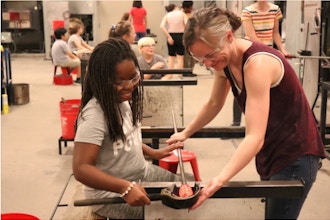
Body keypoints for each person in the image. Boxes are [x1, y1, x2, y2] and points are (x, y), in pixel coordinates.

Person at [166, 7, 326, 219]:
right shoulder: (224, 62)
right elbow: (214, 103)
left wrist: (220, 179)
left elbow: (254, 137)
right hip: (270, 152)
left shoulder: (257, 64)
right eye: (200, 59)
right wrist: (186, 132)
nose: (207, 63)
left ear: (229, 36)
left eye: (211, 55)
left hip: (295, 154)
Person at [72, 38, 182, 219]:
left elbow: (127, 139)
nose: (129, 85)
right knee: (168, 213)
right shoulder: (94, 116)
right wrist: (125, 187)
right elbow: (81, 168)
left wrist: (153, 153)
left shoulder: (121, 101)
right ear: (101, 81)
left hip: (142, 174)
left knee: (185, 190)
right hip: (109, 194)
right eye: (119, 81)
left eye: (133, 77)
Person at [232, 0, 293, 126]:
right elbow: (251, 35)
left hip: (268, 53)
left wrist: (282, 49)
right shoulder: (248, 11)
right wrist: (270, 52)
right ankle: (236, 122)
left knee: (266, 88)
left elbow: (275, 33)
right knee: (243, 87)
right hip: (251, 52)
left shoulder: (275, 9)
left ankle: (266, 123)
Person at [160, 4, 185, 70]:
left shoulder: (167, 15)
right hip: (181, 35)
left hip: (171, 35)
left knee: (171, 57)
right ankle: (180, 75)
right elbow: (187, 25)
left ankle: (169, 74)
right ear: (175, 7)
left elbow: (162, 26)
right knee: (180, 57)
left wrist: (168, 37)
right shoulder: (182, 14)